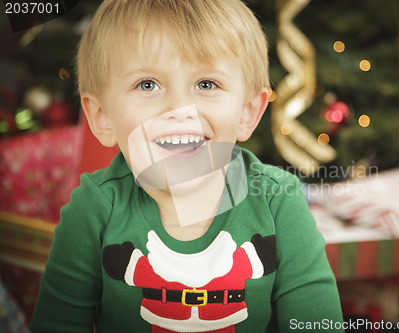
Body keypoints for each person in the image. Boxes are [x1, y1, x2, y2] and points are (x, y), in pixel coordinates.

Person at [29, 0, 343, 332]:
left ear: (247, 112)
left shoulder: (277, 200)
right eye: (147, 84)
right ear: (102, 116)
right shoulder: (96, 207)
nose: (180, 109)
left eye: (206, 84)